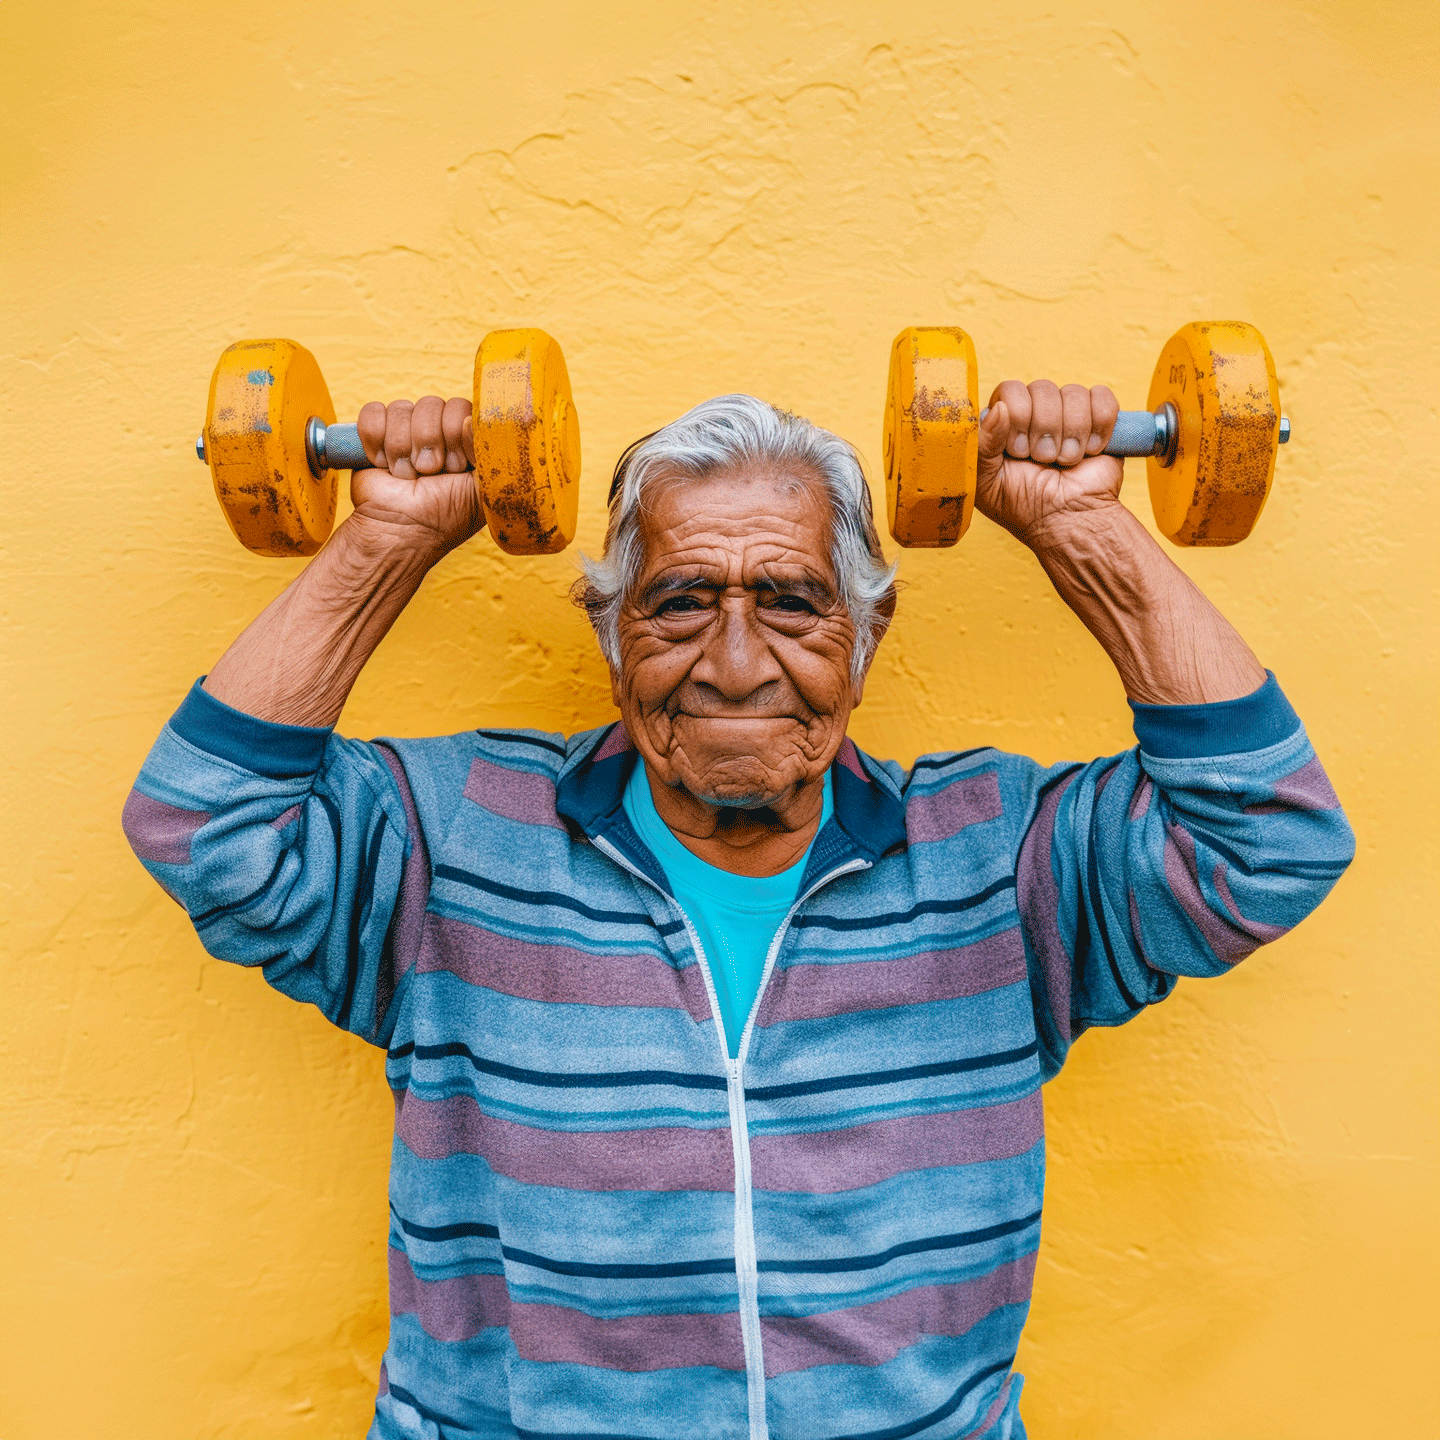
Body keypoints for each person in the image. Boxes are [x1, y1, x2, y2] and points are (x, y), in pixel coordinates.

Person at [123, 380, 1353, 1440]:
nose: (734, 663)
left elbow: (1269, 842)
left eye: (794, 603)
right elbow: (206, 823)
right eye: (676, 604)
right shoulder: (459, 838)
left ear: (869, 635)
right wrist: (387, 537)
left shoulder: (998, 857)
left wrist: (1084, 528)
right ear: (608, 635)